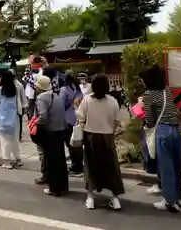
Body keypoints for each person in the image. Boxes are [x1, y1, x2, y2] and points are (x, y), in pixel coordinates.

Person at [77, 74, 124, 210]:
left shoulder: (87, 100)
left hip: (91, 136)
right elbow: (117, 121)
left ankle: (90, 197)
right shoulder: (113, 101)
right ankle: (115, 199)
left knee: (91, 167)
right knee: (111, 168)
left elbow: (81, 118)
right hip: (108, 137)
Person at [140, 65, 181, 213]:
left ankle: (169, 202)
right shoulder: (166, 91)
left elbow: (150, 120)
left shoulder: (148, 95)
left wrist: (141, 110)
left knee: (166, 168)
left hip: (162, 132)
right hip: (175, 130)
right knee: (176, 167)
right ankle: (176, 198)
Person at [35, 75, 68, 196]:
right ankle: (64, 186)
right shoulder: (56, 96)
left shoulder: (41, 98)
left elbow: (43, 117)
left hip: (50, 132)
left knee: (52, 161)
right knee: (60, 160)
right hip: (61, 130)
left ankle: (55, 189)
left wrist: (34, 123)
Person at [0, 70, 22, 169]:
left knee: (5, 139)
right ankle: (18, 158)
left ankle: (7, 162)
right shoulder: (16, 88)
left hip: (2, 116)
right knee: (14, 138)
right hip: (14, 116)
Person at [59, 71, 84, 176]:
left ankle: (75, 167)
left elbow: (61, 105)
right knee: (77, 143)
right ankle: (79, 165)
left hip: (67, 119)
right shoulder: (78, 90)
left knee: (70, 144)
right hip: (77, 118)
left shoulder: (64, 90)